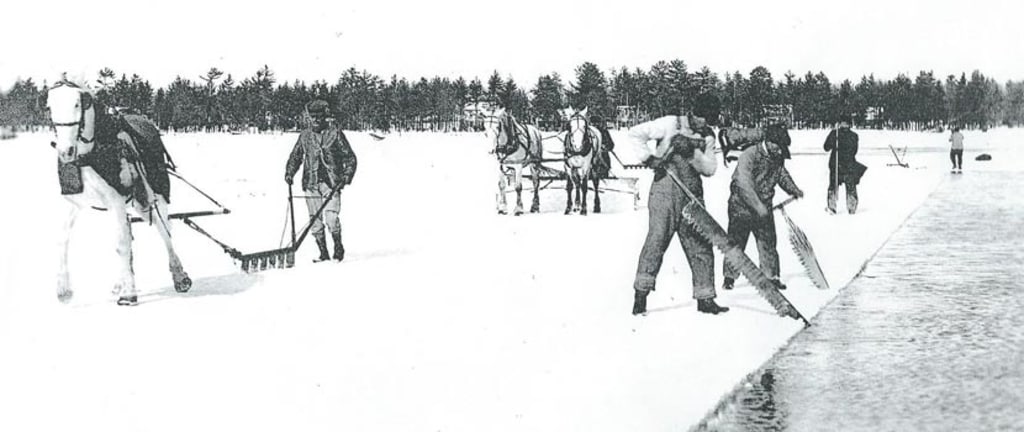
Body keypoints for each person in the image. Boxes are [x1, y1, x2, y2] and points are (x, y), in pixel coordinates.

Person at [629, 93, 729, 316]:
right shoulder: (669, 124)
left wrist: (692, 152)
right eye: (703, 118)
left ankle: (705, 298)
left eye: (709, 120)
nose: (705, 123)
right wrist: (649, 158)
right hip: (664, 191)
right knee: (656, 241)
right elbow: (635, 133)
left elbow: (710, 169)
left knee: (701, 244)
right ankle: (640, 295)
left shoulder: (708, 136)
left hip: (692, 195)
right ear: (694, 113)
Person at [722, 123, 804, 291]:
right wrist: (758, 206)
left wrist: (793, 189)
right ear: (769, 142)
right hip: (741, 206)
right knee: (737, 242)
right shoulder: (750, 154)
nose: (780, 151)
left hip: (764, 206)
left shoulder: (777, 156)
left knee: (767, 241)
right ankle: (729, 277)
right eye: (778, 147)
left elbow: (781, 174)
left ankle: (771, 277)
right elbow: (743, 183)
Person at [285, 99, 358, 262]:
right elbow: (296, 156)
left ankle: (338, 247)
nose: (316, 120)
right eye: (313, 117)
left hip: (331, 184)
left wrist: (346, 176)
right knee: (315, 221)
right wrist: (289, 173)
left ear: (325, 117)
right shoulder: (305, 136)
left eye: (319, 116)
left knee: (331, 218)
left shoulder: (335, 134)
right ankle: (323, 253)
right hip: (311, 183)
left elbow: (350, 158)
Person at [823, 116, 865, 214]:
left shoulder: (852, 136)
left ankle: (851, 207)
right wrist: (833, 139)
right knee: (834, 186)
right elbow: (826, 147)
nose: (844, 125)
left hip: (845, 164)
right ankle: (832, 206)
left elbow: (853, 150)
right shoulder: (835, 134)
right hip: (837, 164)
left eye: (846, 123)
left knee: (849, 186)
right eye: (843, 123)